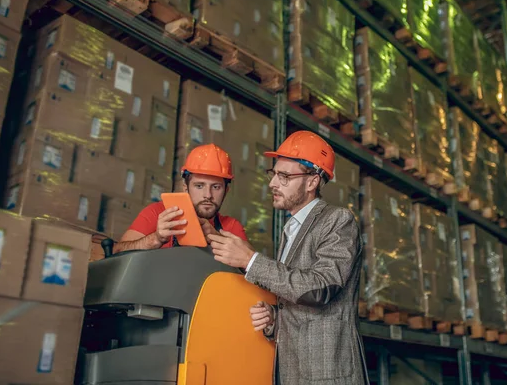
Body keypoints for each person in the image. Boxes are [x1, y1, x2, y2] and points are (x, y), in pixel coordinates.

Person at [207, 131, 368, 384]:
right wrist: (274, 318)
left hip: (326, 375)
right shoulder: (291, 229)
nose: (273, 184)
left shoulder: (337, 221)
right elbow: (297, 299)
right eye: (274, 175)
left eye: (284, 176)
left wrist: (251, 260)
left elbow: (320, 288)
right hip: (294, 373)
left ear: (312, 182)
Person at [113, 144, 247, 253]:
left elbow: (251, 266)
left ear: (226, 191)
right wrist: (155, 238)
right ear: (185, 187)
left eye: (216, 187)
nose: (208, 195)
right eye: (199, 186)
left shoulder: (231, 227)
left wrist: (215, 239)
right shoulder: (158, 213)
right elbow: (117, 251)